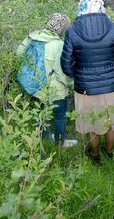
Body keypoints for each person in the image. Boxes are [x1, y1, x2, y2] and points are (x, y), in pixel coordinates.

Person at [60, 0, 114, 165]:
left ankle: (94, 155)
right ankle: (109, 152)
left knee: (91, 125)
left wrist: (79, 75)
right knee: (112, 123)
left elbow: (66, 66)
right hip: (112, 86)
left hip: (85, 89)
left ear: (81, 6)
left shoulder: (71, 32)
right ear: (102, 6)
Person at [17, 13, 78, 148]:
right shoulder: (59, 44)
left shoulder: (32, 36)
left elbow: (19, 53)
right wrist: (72, 83)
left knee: (42, 112)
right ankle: (60, 143)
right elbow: (62, 73)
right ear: (62, 29)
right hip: (56, 89)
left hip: (37, 86)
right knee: (60, 116)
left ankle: (44, 136)